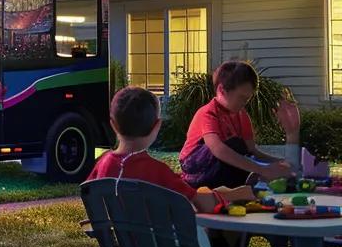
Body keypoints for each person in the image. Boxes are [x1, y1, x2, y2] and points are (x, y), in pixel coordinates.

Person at [87, 86, 251, 213]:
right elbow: (204, 204)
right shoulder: (157, 172)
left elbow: (87, 191)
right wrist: (236, 194)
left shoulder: (102, 164)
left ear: (113, 124)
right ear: (157, 126)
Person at [179, 61, 298, 189]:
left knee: (242, 151)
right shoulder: (208, 113)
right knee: (234, 145)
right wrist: (262, 170)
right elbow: (218, 149)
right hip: (195, 167)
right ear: (221, 90)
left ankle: (247, 180)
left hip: (221, 166)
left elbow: (252, 151)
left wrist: (279, 163)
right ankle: (249, 179)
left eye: (247, 99)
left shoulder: (241, 115)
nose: (244, 103)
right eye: (241, 97)